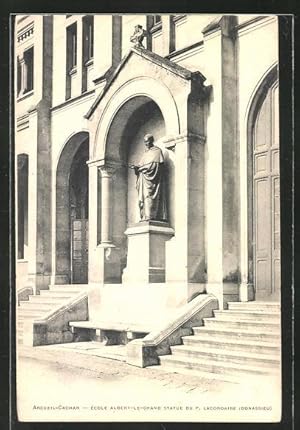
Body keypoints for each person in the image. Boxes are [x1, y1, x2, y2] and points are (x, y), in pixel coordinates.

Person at [130, 134, 167, 222]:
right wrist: (136, 168)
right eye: (145, 142)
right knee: (144, 198)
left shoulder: (157, 151)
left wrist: (142, 168)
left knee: (149, 197)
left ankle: (151, 216)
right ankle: (145, 216)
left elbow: (156, 166)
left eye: (147, 141)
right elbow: (141, 166)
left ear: (152, 141)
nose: (146, 143)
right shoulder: (145, 153)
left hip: (153, 182)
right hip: (143, 180)